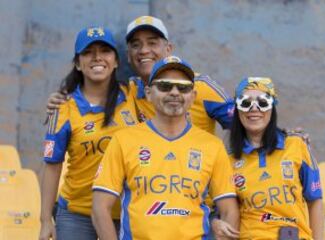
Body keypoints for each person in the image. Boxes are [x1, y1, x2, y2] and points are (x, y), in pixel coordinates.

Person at [91, 56, 240, 240]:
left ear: (193, 96)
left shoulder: (212, 146)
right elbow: (100, 208)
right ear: (148, 93)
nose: (174, 92)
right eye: (164, 86)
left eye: (183, 87)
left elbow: (229, 211)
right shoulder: (123, 140)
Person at [46, 15, 234, 135]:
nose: (144, 51)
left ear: (168, 49)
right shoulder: (128, 91)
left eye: (152, 43)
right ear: (128, 56)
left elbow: (243, 125)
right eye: (136, 45)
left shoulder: (200, 86)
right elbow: (91, 98)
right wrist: (62, 99)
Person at [39, 26, 138, 240]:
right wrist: (46, 219)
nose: (97, 58)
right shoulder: (64, 107)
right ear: (77, 63)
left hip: (127, 214)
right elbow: (52, 165)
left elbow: (166, 84)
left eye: (105, 51)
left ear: (116, 61)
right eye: (88, 52)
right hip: (77, 215)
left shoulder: (134, 95)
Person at [212, 77, 324, 240]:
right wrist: (215, 223)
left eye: (263, 102)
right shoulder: (226, 159)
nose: (254, 109)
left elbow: (315, 201)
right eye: (246, 103)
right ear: (238, 110)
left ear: (273, 107)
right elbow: (213, 209)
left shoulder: (297, 144)